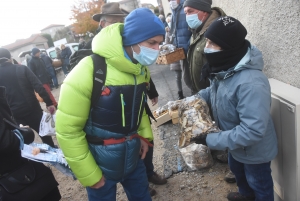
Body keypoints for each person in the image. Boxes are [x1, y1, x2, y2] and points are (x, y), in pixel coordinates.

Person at [56, 8, 165, 201]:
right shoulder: (88, 69)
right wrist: (90, 175)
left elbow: (138, 109)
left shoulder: (139, 69)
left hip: (134, 159)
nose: (157, 50)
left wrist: (144, 138)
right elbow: (68, 130)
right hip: (100, 166)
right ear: (132, 40)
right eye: (152, 43)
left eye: (159, 44)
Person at [195, 16, 278, 201]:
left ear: (227, 46)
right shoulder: (227, 69)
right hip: (234, 144)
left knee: (259, 184)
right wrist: (195, 100)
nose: (206, 47)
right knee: (239, 175)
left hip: (254, 151)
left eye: (212, 43)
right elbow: (215, 91)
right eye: (207, 40)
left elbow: (253, 130)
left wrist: (211, 139)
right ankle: (245, 195)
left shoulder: (251, 83)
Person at [0, 86, 61, 201]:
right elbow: (5, 141)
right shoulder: (21, 70)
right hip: (16, 175)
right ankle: (52, 150)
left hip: (18, 114)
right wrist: (24, 133)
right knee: (45, 136)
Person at [0, 48, 56, 147]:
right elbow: (39, 86)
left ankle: (33, 159)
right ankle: (54, 153)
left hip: (14, 115)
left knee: (24, 143)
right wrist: (49, 103)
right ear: (10, 58)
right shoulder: (21, 69)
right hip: (32, 109)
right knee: (45, 135)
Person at [183, 0, 226, 94]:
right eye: (185, 13)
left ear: (204, 11)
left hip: (214, 95)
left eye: (190, 11)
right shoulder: (196, 30)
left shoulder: (218, 31)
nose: (187, 16)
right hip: (199, 93)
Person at [169, 0, 192, 98]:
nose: (171, 2)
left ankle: (195, 98)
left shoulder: (186, 8)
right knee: (186, 78)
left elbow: (193, 30)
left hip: (189, 51)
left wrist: (189, 46)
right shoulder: (174, 11)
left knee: (192, 78)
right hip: (180, 52)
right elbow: (175, 32)